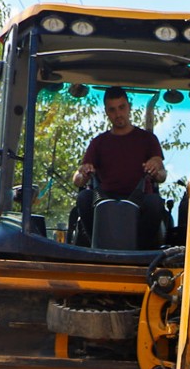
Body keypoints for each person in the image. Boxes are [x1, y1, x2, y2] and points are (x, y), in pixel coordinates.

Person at [70, 86, 167, 248]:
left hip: (139, 199)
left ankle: (139, 254)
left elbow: (162, 175)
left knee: (155, 203)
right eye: (112, 110)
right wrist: (83, 174)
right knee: (83, 198)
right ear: (107, 112)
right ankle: (96, 249)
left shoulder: (147, 139)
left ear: (129, 107)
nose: (118, 114)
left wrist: (156, 168)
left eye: (122, 108)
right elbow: (78, 179)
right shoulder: (98, 143)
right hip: (104, 199)